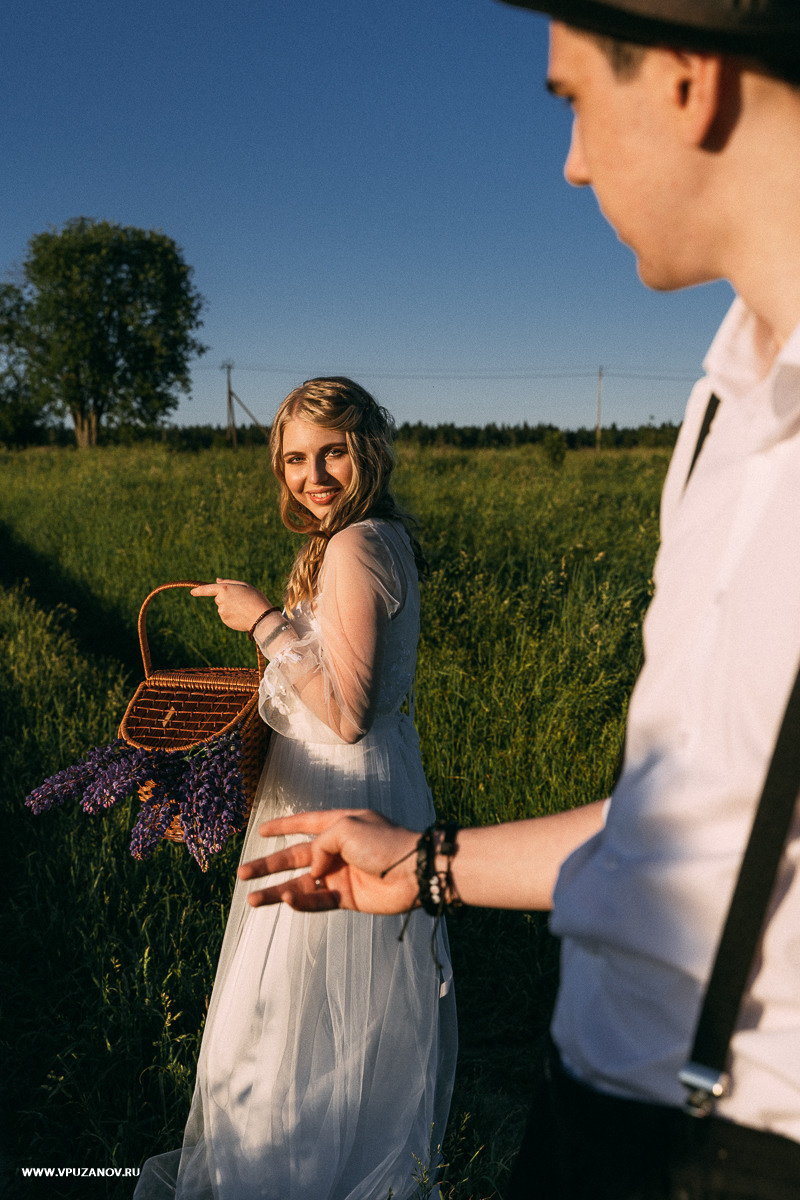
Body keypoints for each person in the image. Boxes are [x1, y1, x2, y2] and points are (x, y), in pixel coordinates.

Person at [235, 4, 800, 1197]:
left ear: (690, 80)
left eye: (570, 100)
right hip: (596, 1113)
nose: (573, 158)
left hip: (750, 1145)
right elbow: (693, 821)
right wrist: (423, 865)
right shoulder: (720, 409)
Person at [134, 377, 457, 1200]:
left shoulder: (353, 546)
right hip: (346, 777)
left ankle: (292, 1170)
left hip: (341, 787)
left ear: (368, 449)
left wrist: (261, 622)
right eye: (293, 460)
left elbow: (345, 715)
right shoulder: (363, 536)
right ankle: (312, 1152)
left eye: (332, 452)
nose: (311, 476)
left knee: (302, 998)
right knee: (321, 999)